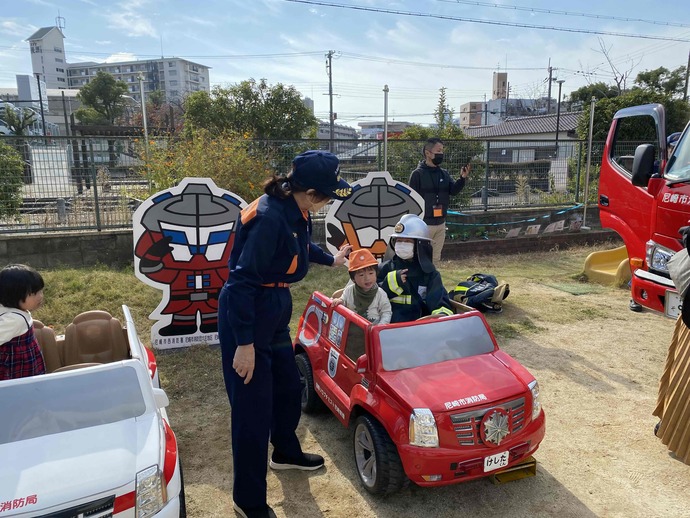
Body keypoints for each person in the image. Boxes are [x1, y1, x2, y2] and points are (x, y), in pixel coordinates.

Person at [218, 150, 353, 518]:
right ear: (310, 193)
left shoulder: (294, 209)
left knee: (289, 387)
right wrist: (244, 345)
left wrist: (332, 259)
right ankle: (247, 501)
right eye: (327, 195)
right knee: (251, 411)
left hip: (272, 310)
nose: (327, 201)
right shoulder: (268, 218)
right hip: (248, 315)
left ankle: (285, 452)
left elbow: (299, 246)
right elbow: (243, 280)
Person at [378, 214, 454, 323]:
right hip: (389, 330)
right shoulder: (383, 269)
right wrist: (390, 283)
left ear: (420, 245)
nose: (401, 244)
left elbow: (440, 306)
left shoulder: (430, 274)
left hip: (419, 331)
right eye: (399, 240)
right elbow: (371, 299)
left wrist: (440, 319)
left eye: (407, 241)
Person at [409, 137, 471, 263]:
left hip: (440, 224)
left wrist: (462, 178)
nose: (441, 154)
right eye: (438, 150)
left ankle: (432, 282)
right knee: (420, 258)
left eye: (442, 151)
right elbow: (411, 200)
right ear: (428, 153)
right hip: (423, 224)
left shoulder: (444, 173)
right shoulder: (417, 174)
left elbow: (453, 191)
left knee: (435, 259)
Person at [0, 264, 46, 380]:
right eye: (34, 293)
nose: (40, 296)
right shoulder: (15, 320)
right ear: (14, 295)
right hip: (16, 372)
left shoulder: (13, 311)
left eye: (41, 291)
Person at [332, 248, 392, 325]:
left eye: (371, 273)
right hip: (352, 331)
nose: (367, 278)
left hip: (372, 332)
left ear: (376, 274)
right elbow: (343, 300)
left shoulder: (380, 294)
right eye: (361, 275)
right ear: (353, 279)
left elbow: (386, 312)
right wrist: (340, 301)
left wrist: (380, 327)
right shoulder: (349, 290)